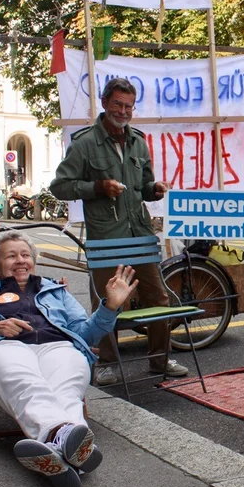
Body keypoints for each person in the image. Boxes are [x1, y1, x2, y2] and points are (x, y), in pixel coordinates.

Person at [0, 231, 138, 487]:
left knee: (66, 387)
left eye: (25, 255)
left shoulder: (55, 291)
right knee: (26, 381)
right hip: (5, 347)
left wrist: (110, 307)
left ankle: (58, 451)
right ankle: (68, 440)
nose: (20, 260)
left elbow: (85, 333)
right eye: (11, 256)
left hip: (56, 346)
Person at [50, 77, 188, 386]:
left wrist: (156, 188)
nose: (123, 111)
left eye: (129, 106)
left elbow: (144, 186)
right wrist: (98, 187)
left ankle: (160, 360)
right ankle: (107, 362)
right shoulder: (85, 143)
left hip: (139, 233)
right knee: (107, 301)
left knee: (159, 299)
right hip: (105, 238)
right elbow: (59, 186)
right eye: (118, 104)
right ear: (104, 103)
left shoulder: (138, 141)